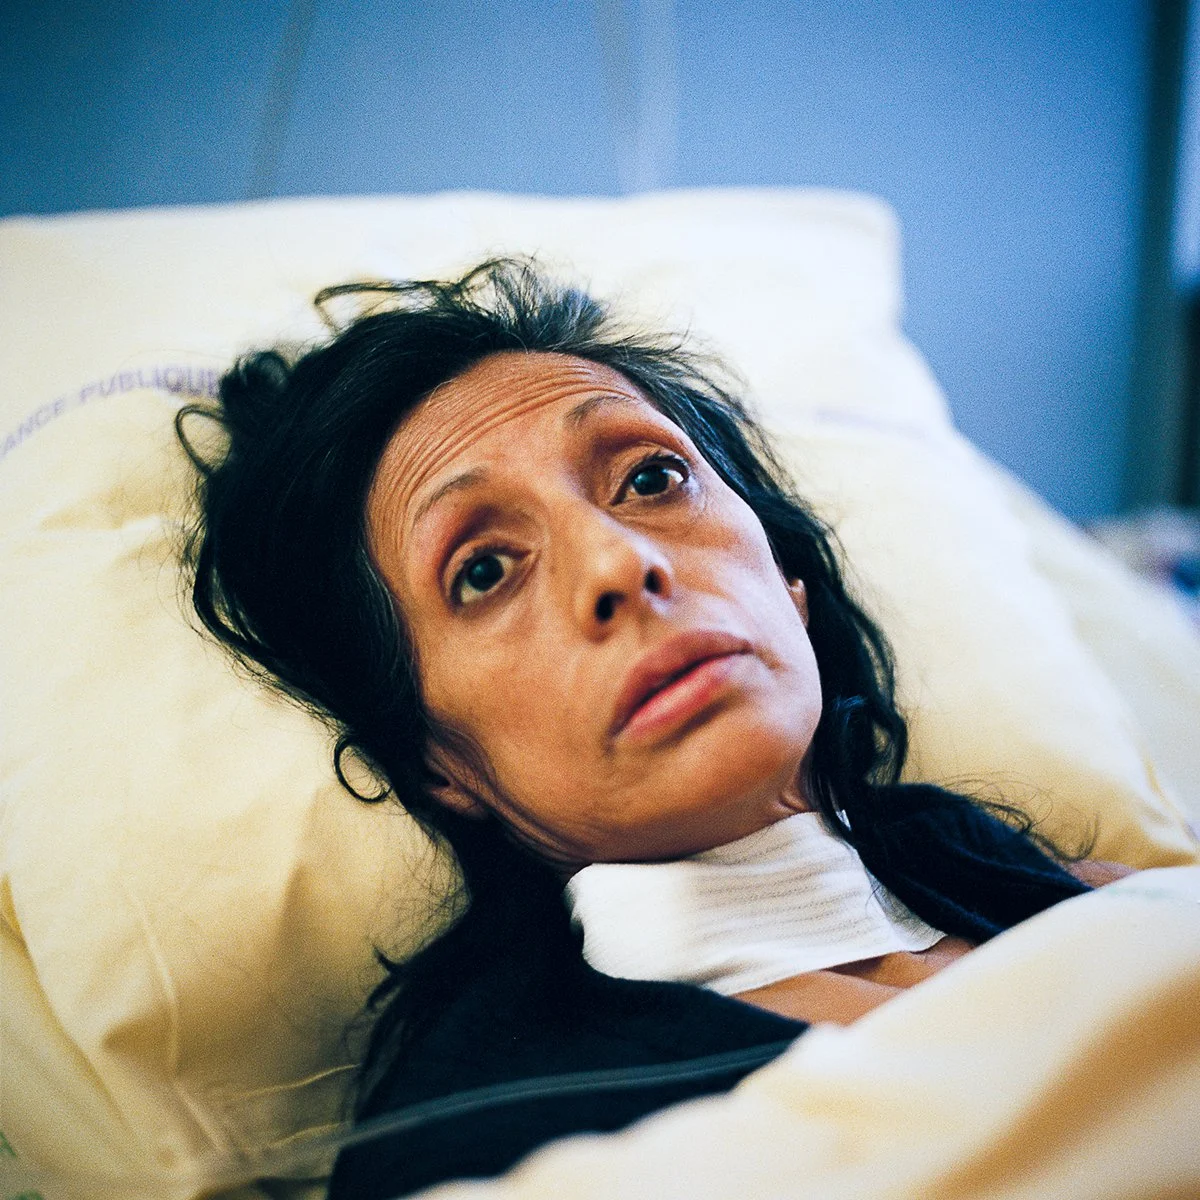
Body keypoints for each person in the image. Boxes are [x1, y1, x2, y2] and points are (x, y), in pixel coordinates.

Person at [177, 259, 1126, 1199]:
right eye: (483, 570)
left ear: (787, 584)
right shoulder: (493, 1146)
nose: (619, 564)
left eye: (651, 477)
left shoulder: (1001, 871)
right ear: (437, 764)